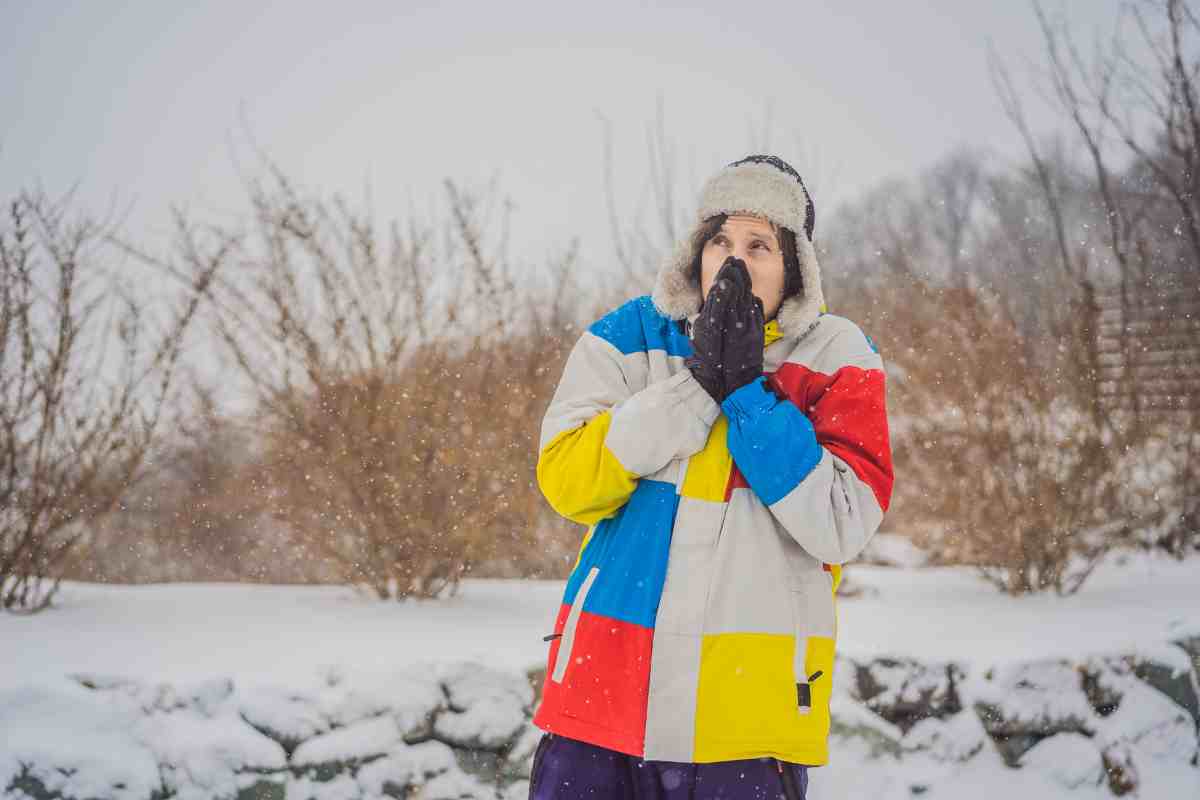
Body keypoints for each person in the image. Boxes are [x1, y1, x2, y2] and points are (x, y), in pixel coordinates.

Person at [527, 154, 894, 799]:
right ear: (696, 249)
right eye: (720, 239)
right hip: (603, 702)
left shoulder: (836, 355)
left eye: (760, 245)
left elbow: (842, 522)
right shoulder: (632, 335)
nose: (734, 260)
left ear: (796, 266)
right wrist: (696, 387)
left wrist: (749, 396)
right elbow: (565, 481)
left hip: (744, 724)